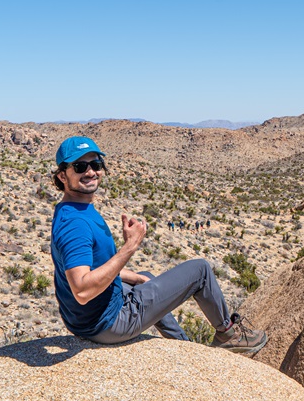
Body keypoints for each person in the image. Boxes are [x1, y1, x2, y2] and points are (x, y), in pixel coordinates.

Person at [48, 136, 267, 354]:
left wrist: (137, 278)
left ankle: (184, 347)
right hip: (108, 323)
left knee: (145, 276)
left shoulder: (72, 208)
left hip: (83, 319)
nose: (90, 172)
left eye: (96, 164)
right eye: (79, 166)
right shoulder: (75, 223)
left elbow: (94, 267)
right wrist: (130, 247)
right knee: (200, 270)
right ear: (62, 176)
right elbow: (82, 291)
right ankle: (228, 335)